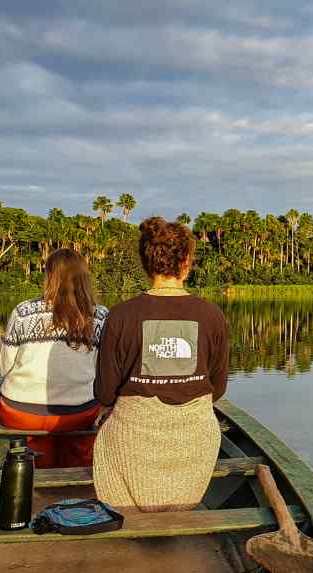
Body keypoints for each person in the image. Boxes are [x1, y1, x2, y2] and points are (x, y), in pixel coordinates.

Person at [93, 216, 229, 512]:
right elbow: (217, 389)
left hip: (133, 442)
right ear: (187, 262)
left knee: (105, 426)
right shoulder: (212, 315)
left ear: (146, 262)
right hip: (193, 442)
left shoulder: (120, 316)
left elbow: (104, 394)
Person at [0, 248, 108, 468]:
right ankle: (75, 480)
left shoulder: (23, 312)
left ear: (49, 276)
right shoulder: (100, 315)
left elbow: (4, 369)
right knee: (83, 430)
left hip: (20, 411)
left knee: (39, 443)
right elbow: (103, 372)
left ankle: (36, 474)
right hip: (79, 412)